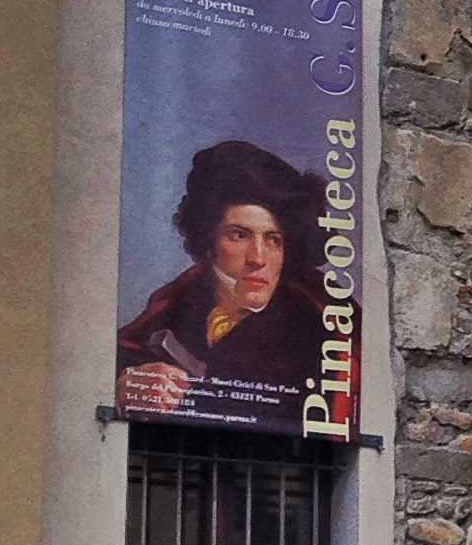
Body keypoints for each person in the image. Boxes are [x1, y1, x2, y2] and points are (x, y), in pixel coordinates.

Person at [117, 140, 324, 418]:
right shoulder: (177, 301)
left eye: (273, 240)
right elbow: (114, 363)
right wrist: (129, 384)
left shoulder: (315, 329)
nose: (258, 258)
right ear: (209, 241)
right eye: (240, 235)